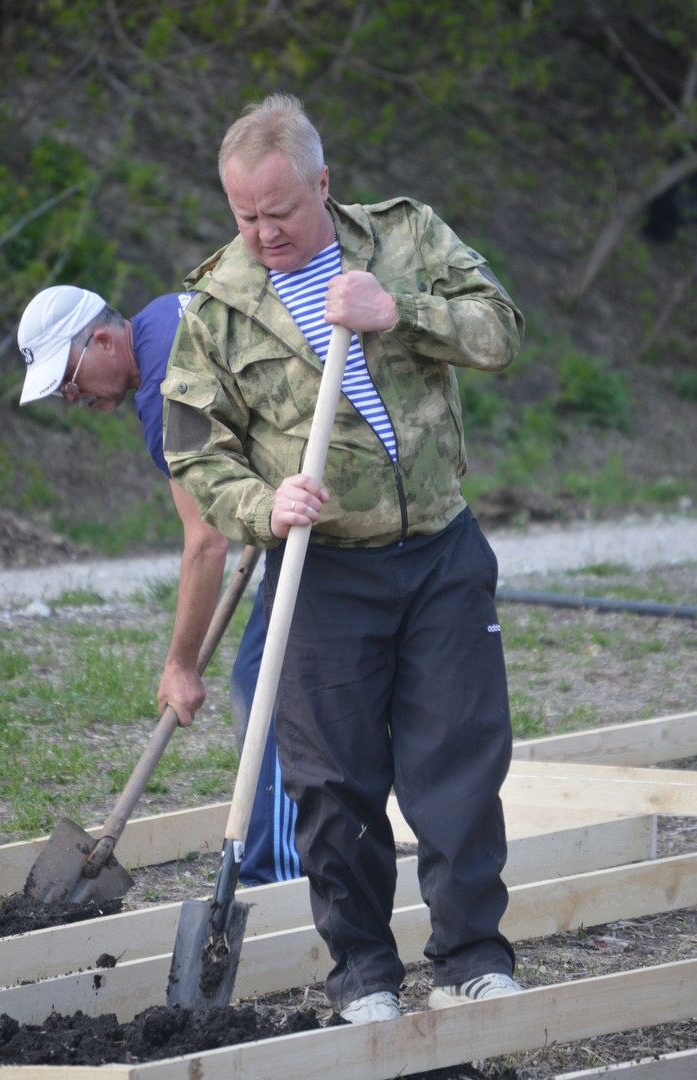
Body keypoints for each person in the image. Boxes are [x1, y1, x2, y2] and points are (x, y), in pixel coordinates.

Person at [162, 92, 525, 1024]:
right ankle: (364, 976)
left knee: (459, 762)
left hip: (440, 551)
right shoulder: (218, 306)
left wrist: (395, 310)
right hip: (319, 575)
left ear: (322, 184)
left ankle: (472, 960)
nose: (263, 233)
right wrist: (261, 505)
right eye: (244, 215)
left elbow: (500, 330)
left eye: (280, 213)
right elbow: (196, 450)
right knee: (335, 787)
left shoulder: (405, 237)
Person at [16, 284, 300, 886]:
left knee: (266, 678)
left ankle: (276, 876)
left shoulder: (165, 389)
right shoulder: (173, 309)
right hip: (309, 484)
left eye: (68, 378)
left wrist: (181, 667)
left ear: (99, 339)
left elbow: (206, 542)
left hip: (325, 501)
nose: (70, 397)